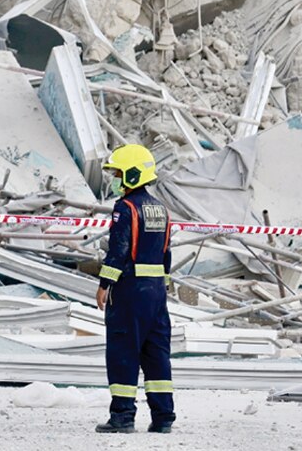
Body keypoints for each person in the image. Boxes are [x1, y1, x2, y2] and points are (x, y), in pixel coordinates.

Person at [94, 144, 175, 434]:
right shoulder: (161, 209)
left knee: (123, 351)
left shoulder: (125, 208)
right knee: (156, 354)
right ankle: (164, 417)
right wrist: (161, 288)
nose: (114, 178)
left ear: (131, 174)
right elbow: (166, 253)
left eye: (117, 173)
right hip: (156, 292)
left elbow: (118, 250)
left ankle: (122, 417)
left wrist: (104, 284)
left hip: (130, 291)